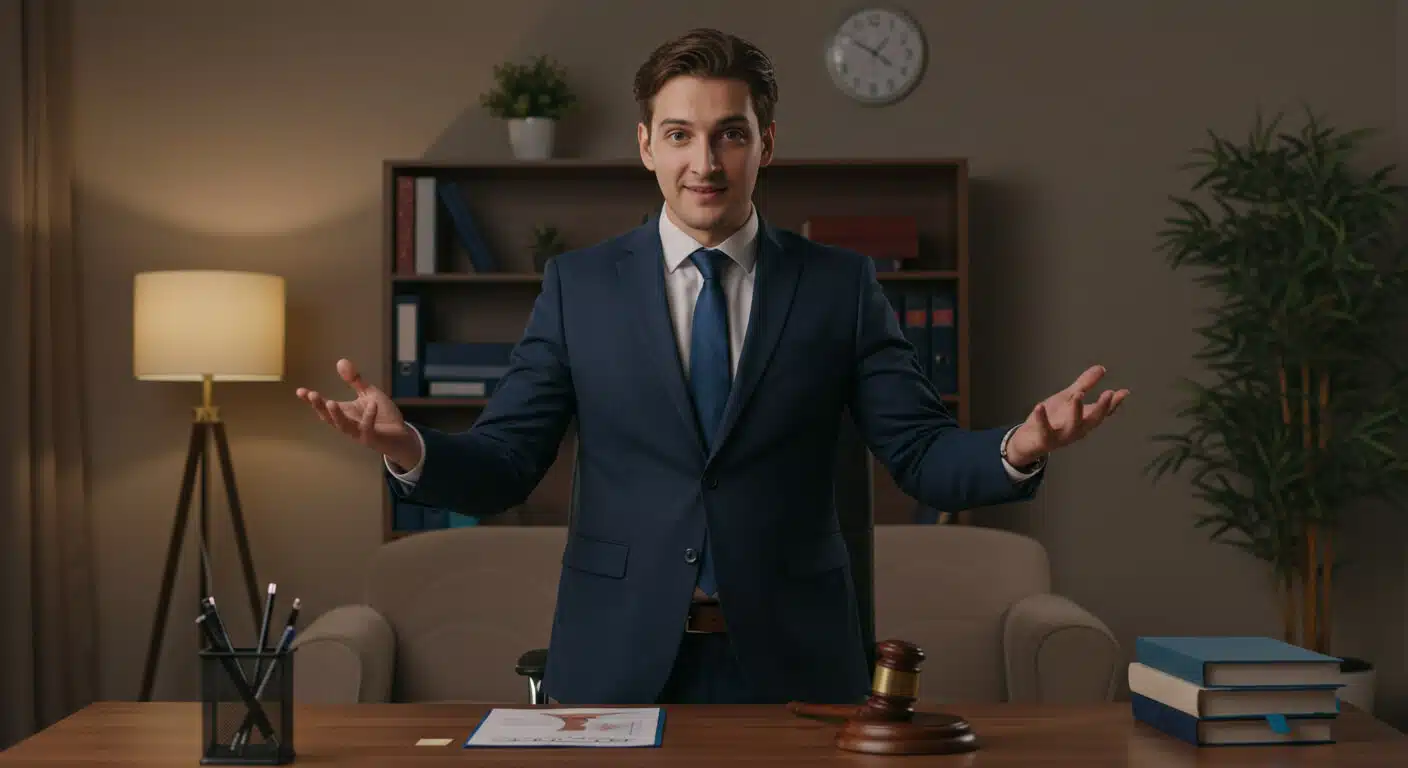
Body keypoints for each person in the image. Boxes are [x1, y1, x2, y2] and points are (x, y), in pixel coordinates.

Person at [296, 27, 1128, 707]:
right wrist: (412, 449)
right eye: (681, 135)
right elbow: (507, 462)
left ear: (767, 143)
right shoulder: (578, 288)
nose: (707, 161)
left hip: (797, 662)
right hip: (616, 661)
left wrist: (1020, 443)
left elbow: (918, 452)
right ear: (646, 147)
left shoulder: (839, 286)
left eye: (731, 134)